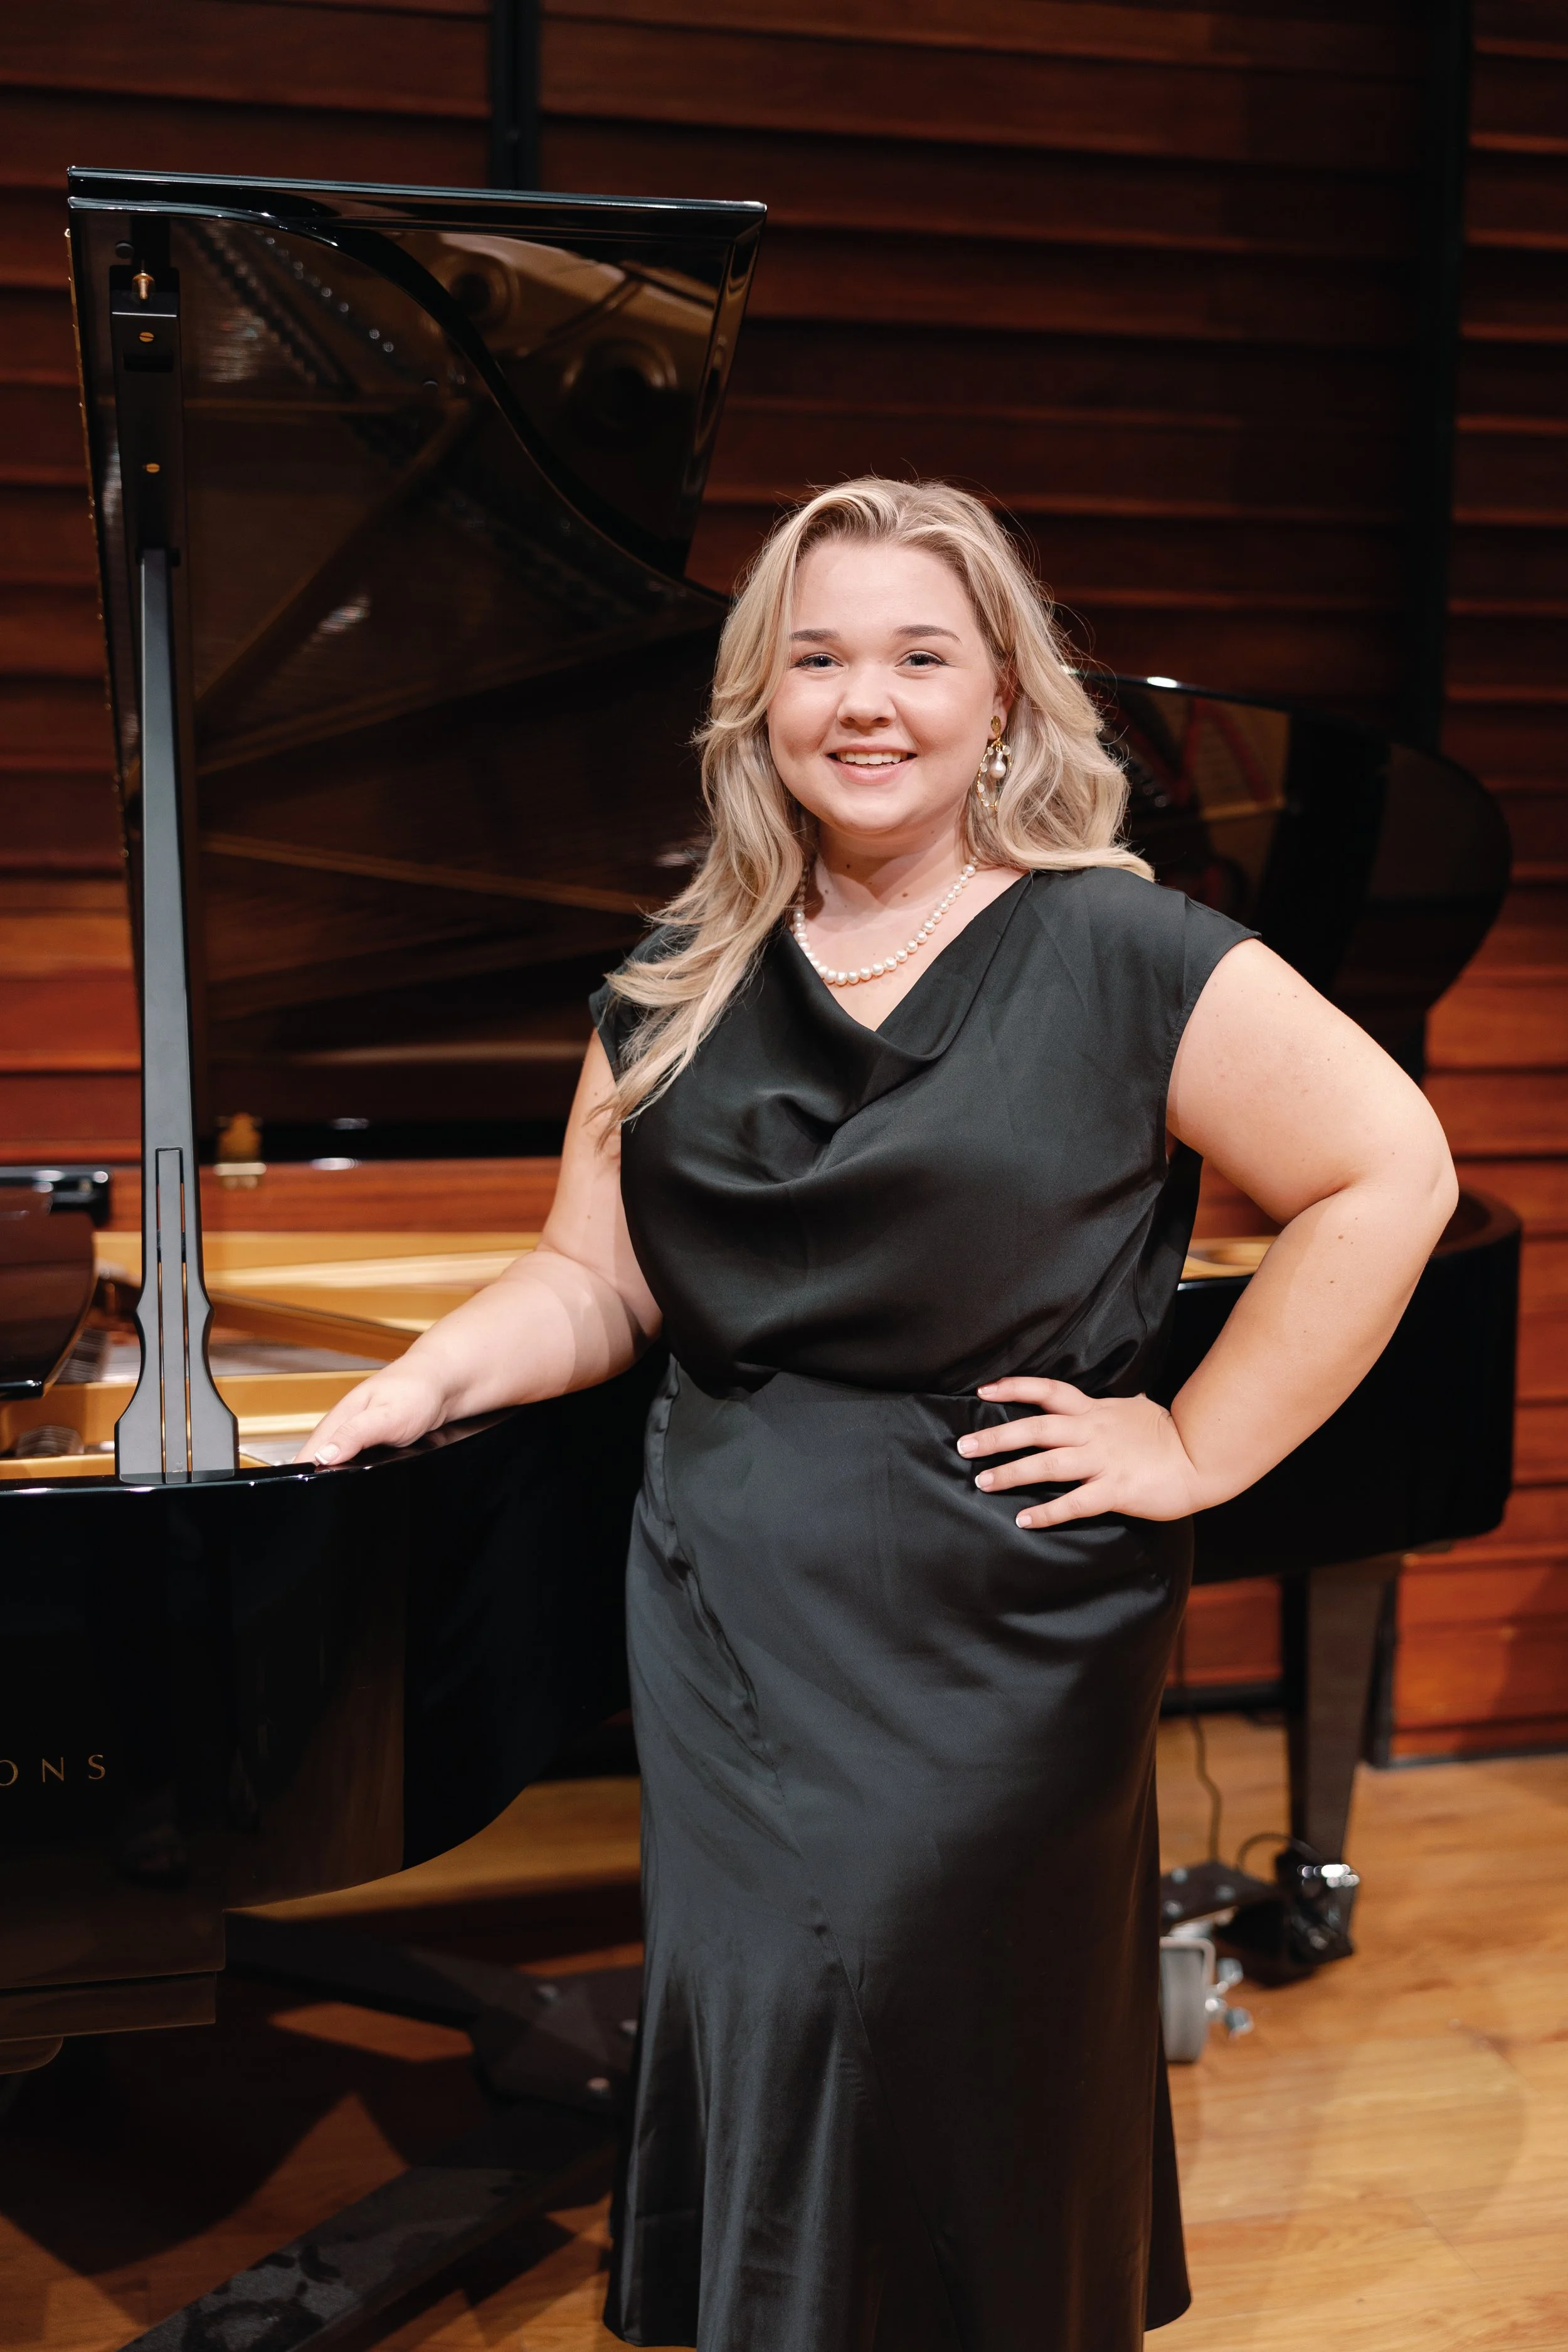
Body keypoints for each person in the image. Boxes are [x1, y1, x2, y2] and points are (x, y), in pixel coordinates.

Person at [299, 478, 1457, 2351]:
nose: (866, 698)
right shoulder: (672, 980)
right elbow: (597, 1279)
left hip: (1003, 1602)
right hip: (730, 1594)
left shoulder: (1123, 949)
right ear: (759, 698)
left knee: (943, 2021)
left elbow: (1386, 1170)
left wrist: (1192, 1442)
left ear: (1001, 694)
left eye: (919, 654)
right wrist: (427, 1374)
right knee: (774, 2018)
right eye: (817, 654)